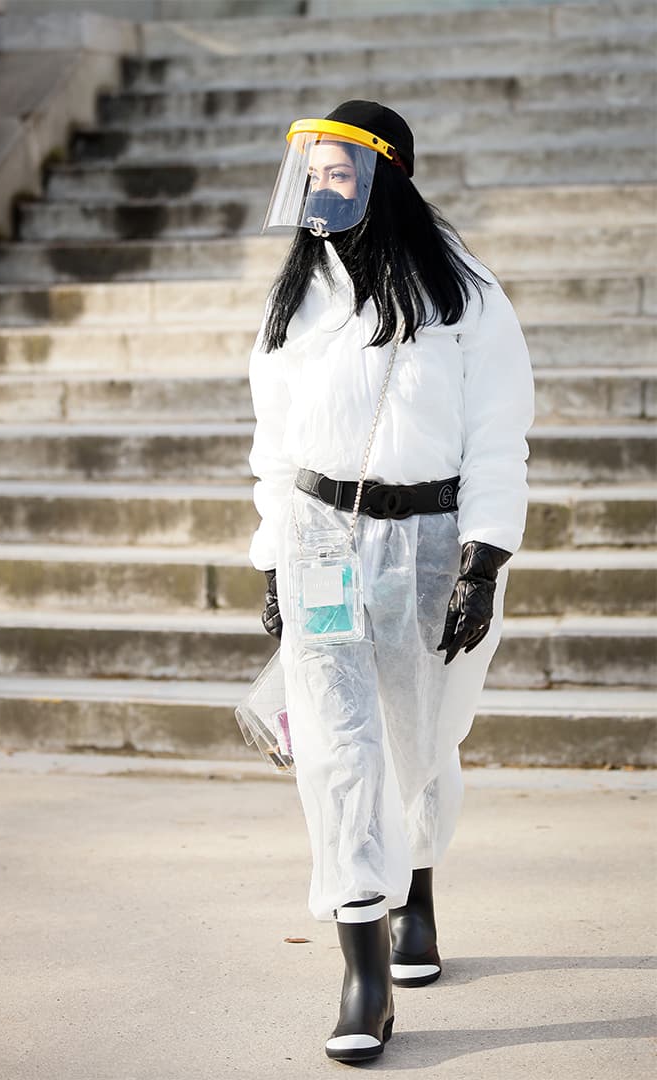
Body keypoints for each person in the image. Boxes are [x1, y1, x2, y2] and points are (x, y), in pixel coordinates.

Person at [246, 100, 535, 1063]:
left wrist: (484, 559)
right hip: (320, 540)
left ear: (389, 175)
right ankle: (362, 970)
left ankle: (418, 888)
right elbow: (273, 448)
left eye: (339, 173)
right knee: (338, 753)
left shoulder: (467, 298)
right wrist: (271, 562)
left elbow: (499, 435)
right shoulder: (296, 303)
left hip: (430, 540)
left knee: (422, 745)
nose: (320, 192)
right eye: (311, 175)